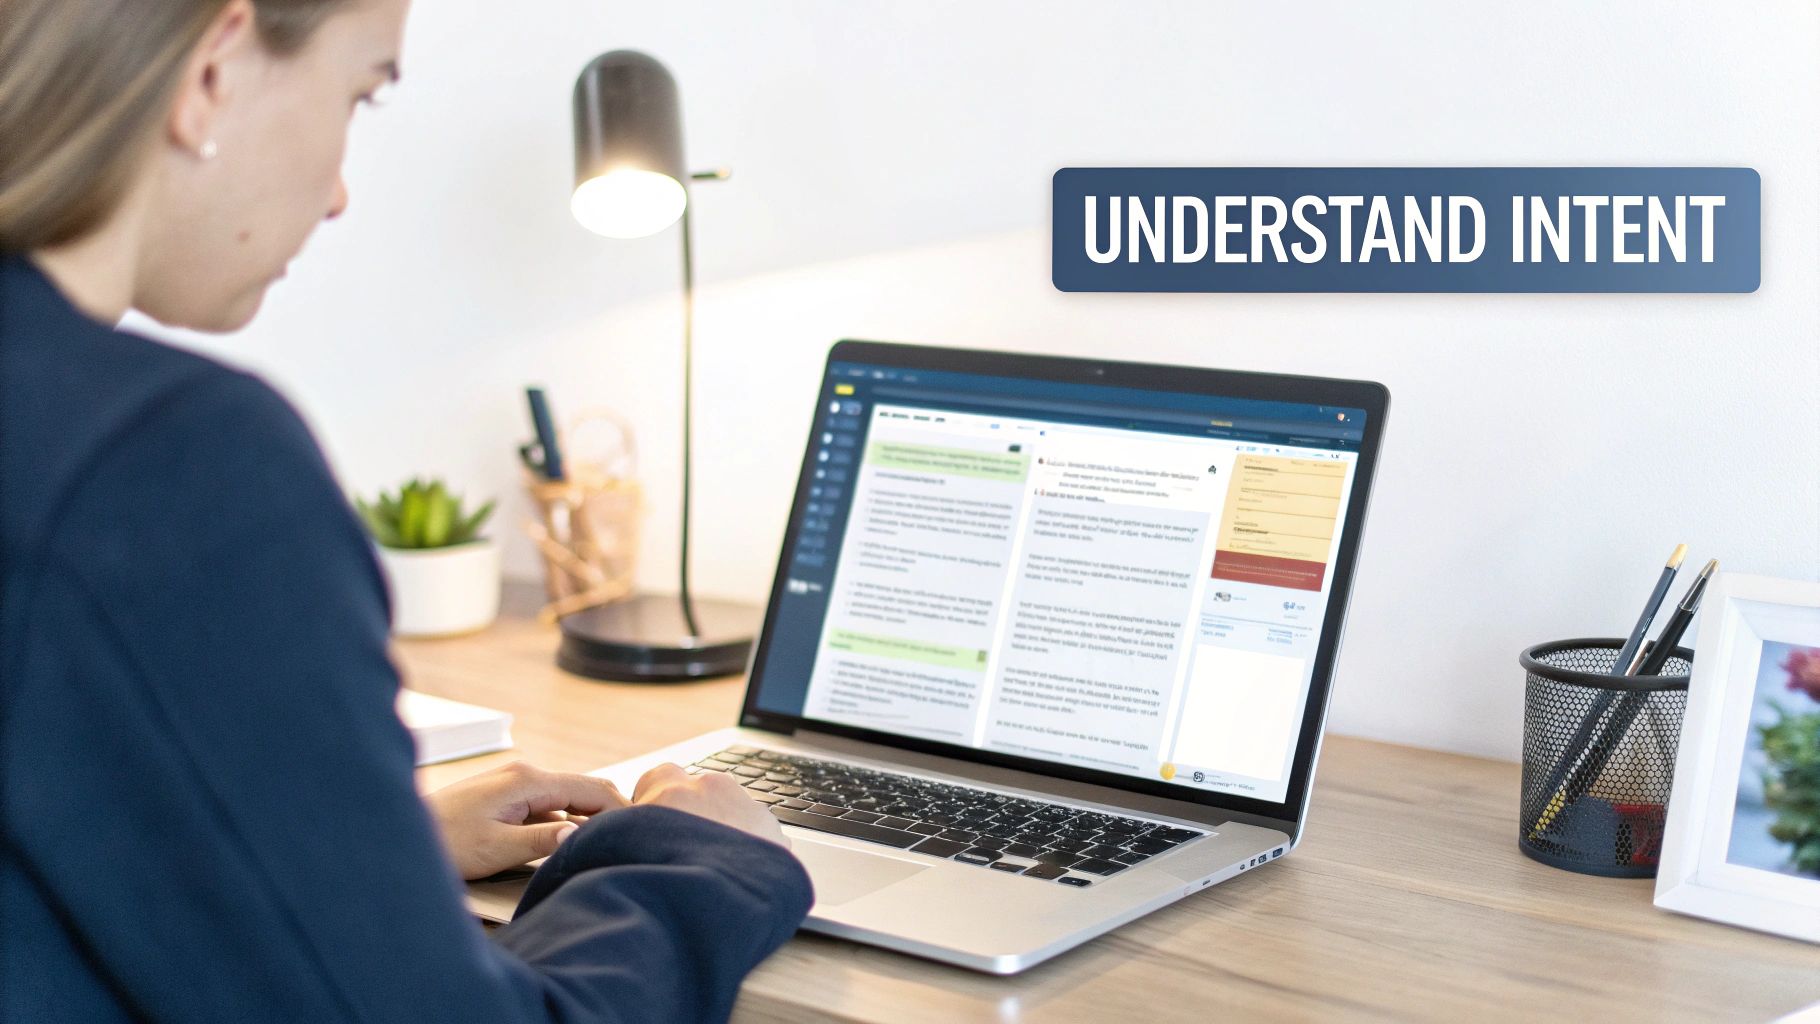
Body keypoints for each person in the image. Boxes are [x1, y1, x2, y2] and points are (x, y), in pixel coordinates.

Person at [0, 0, 813, 1020]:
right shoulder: (160, 464)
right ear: (214, 66)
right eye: (360, 93)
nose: (340, 195)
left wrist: (352, 855)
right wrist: (704, 857)